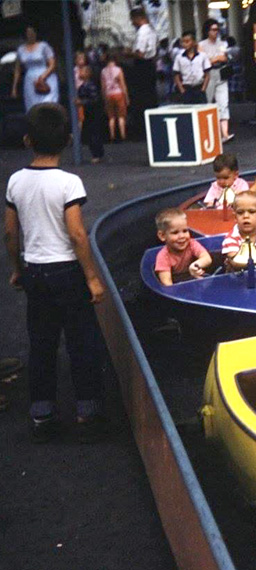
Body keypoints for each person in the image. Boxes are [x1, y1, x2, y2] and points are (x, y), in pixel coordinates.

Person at [4, 103, 106, 442]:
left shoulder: (16, 181)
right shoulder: (69, 183)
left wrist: (17, 268)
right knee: (81, 340)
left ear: (27, 140)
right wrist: (91, 276)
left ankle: (42, 411)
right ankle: (87, 409)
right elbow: (77, 234)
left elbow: (10, 232)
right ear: (67, 140)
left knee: (42, 342)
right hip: (67, 271)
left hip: (35, 270)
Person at [153, 208, 212, 286]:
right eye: (175, 232)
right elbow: (167, 283)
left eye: (185, 231)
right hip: (177, 286)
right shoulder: (163, 256)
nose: (182, 236)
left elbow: (207, 258)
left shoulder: (191, 244)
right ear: (162, 235)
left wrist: (195, 266)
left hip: (192, 280)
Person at [199, 19, 234, 143]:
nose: (216, 32)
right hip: (208, 74)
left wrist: (213, 59)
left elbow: (224, 58)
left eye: (217, 29)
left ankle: (225, 133)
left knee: (223, 103)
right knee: (207, 102)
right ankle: (207, 131)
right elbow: (205, 61)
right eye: (213, 29)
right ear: (207, 31)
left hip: (221, 72)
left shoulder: (222, 43)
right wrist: (217, 58)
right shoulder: (201, 44)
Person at [11, 25, 59, 112]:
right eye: (28, 33)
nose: (30, 35)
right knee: (34, 108)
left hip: (45, 78)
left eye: (32, 32)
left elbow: (52, 64)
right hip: (30, 80)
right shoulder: (21, 49)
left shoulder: (44, 46)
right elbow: (17, 69)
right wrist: (14, 87)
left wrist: (43, 77)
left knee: (48, 105)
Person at [128, 8, 158, 137]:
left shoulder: (142, 32)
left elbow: (140, 53)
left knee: (141, 98)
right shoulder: (152, 31)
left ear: (137, 18)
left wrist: (128, 53)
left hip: (142, 66)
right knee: (151, 96)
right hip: (151, 64)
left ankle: (141, 129)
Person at [75, 65, 105, 163]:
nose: (79, 73)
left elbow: (95, 100)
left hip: (94, 113)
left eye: (82, 71)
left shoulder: (90, 86)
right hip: (88, 114)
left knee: (94, 134)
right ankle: (95, 153)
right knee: (90, 134)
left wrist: (82, 102)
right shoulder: (82, 87)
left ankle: (97, 154)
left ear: (88, 74)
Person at [172, 30, 210, 105]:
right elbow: (176, 75)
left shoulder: (202, 56)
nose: (185, 44)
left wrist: (203, 89)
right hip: (186, 88)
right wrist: (182, 90)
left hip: (199, 88)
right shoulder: (179, 58)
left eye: (187, 41)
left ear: (194, 42)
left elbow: (207, 74)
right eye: (183, 42)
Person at [100, 51, 129, 143]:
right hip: (118, 93)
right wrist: (126, 97)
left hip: (108, 94)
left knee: (111, 117)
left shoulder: (103, 71)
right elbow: (122, 84)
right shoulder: (118, 70)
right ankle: (122, 135)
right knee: (121, 116)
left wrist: (104, 98)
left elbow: (103, 87)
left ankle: (112, 136)